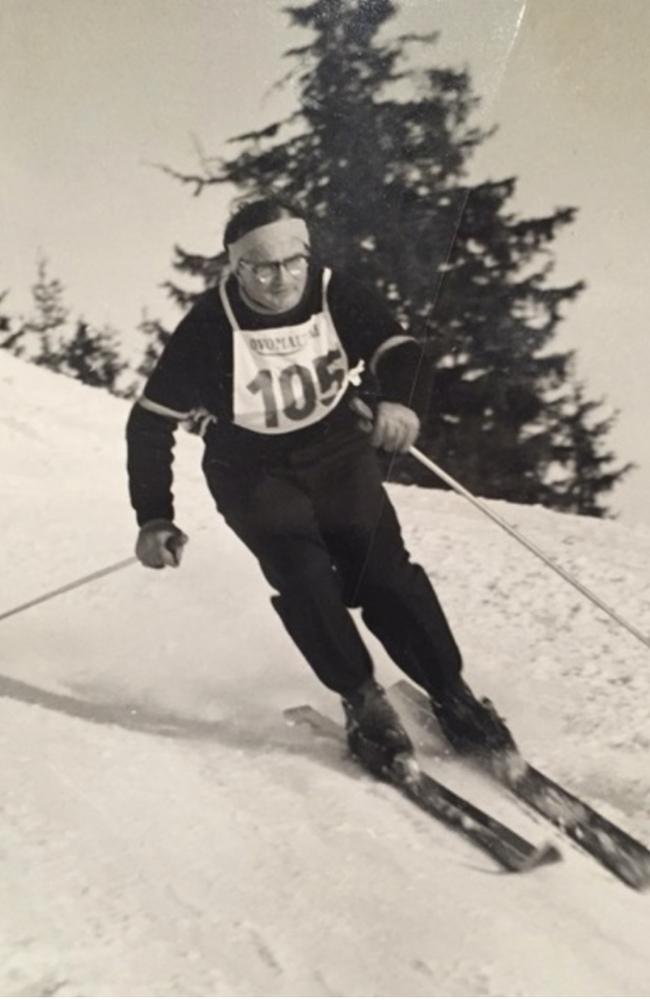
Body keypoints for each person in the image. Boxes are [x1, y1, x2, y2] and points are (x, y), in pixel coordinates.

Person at [126, 197, 514, 773]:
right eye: (262, 267)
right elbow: (150, 422)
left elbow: (402, 351)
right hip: (251, 471)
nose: (280, 278)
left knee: (383, 573)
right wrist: (155, 517)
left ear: (307, 256)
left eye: (292, 262)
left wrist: (401, 405)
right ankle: (362, 700)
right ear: (236, 268)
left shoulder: (335, 293)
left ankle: (451, 693)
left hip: (336, 453)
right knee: (305, 577)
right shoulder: (209, 326)